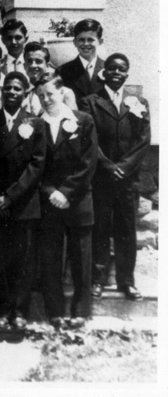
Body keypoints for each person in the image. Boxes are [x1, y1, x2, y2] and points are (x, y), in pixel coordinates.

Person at [79, 53, 151, 301]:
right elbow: (89, 138)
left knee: (126, 230)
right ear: (104, 72)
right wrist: (109, 167)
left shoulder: (138, 102)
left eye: (122, 69)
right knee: (100, 227)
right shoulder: (90, 102)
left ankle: (127, 281)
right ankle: (98, 280)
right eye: (112, 69)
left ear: (127, 74)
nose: (117, 73)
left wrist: (125, 166)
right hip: (102, 177)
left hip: (128, 180)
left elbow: (143, 141)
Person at [35, 71, 98, 329]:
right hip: (49, 202)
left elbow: (89, 161)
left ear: (62, 92)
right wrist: (51, 192)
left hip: (78, 199)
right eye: (41, 95)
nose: (46, 99)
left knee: (80, 257)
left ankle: (81, 310)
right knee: (50, 257)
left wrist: (66, 192)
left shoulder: (83, 121)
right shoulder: (34, 124)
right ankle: (55, 311)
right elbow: (34, 167)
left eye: (50, 93)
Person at [0, 72, 46, 330]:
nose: (11, 92)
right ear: (1, 92)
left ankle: (19, 311)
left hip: (23, 203)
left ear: (25, 93)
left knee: (22, 261)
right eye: (7, 88)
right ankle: (0, 310)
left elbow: (37, 164)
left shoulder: (35, 123)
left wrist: (11, 196)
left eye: (17, 89)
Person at [56, 18, 105, 102]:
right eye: (81, 40)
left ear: (100, 41)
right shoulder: (63, 71)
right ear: (75, 42)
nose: (86, 44)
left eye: (90, 40)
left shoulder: (107, 68)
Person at [22, 42, 77, 115]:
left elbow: (74, 122)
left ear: (47, 65)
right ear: (24, 66)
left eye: (38, 61)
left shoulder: (64, 92)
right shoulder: (21, 93)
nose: (33, 65)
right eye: (29, 61)